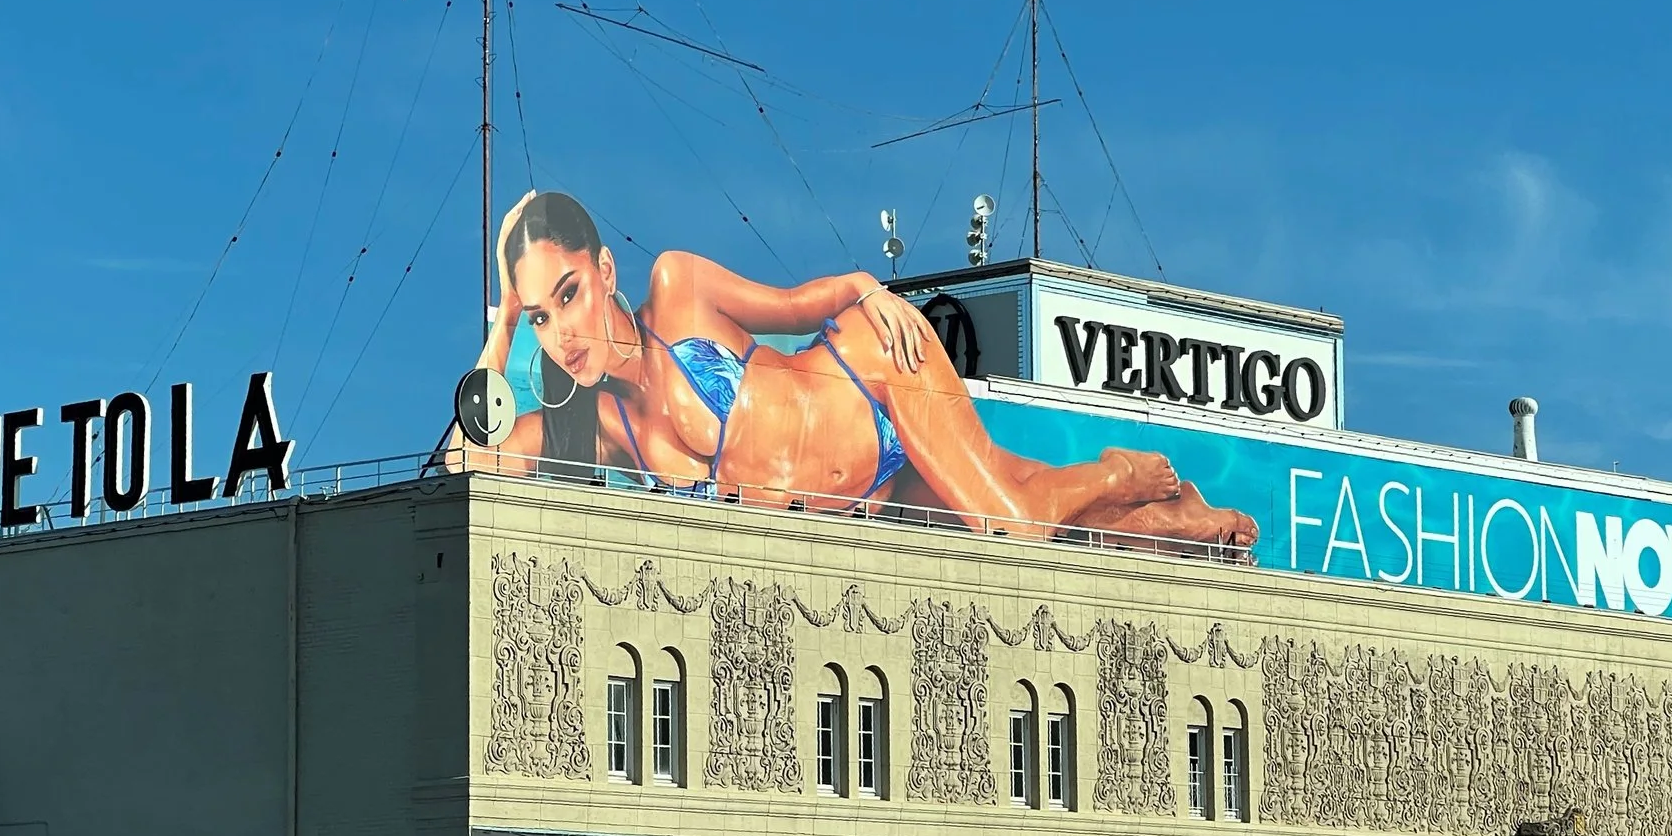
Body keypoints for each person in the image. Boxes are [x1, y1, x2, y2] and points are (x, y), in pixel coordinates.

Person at [439, 190, 1258, 556]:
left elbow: (796, 305)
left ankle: (1122, 471)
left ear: (606, 271)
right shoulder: (606, 432)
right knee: (1051, 533)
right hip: (867, 497)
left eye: (568, 293)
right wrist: (503, 321)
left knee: (1014, 529)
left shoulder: (677, 290)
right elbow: (466, 462)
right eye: (541, 317)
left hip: (873, 381)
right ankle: (1187, 518)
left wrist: (873, 290)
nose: (563, 331)